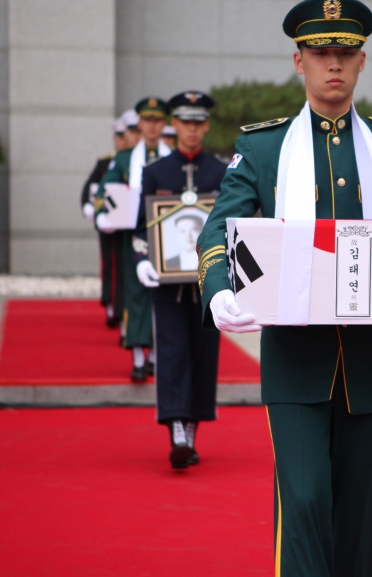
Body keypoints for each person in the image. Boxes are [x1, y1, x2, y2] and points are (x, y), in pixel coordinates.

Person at [196, 0, 372, 576]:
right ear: (298, 61)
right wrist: (219, 289)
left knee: (359, 514)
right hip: (296, 364)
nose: (335, 64)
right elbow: (217, 230)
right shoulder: (264, 148)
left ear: (362, 63)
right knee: (304, 501)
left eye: (346, 53)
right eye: (322, 52)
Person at [133, 90, 226, 469]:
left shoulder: (221, 172)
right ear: (175, 125)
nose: (192, 129)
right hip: (168, 282)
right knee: (172, 353)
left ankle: (191, 428)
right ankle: (176, 428)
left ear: (206, 126)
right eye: (185, 122)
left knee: (204, 355)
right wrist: (142, 257)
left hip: (209, 282)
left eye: (198, 122)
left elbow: (232, 224)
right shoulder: (156, 172)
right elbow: (142, 225)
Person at [95, 98, 172, 381]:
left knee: (163, 297)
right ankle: (139, 358)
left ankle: (157, 356)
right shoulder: (126, 159)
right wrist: (102, 214)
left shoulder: (171, 156)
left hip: (167, 237)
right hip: (134, 235)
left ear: (164, 124)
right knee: (137, 296)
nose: (151, 126)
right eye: (147, 120)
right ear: (139, 123)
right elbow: (105, 190)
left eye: (157, 120)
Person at [82, 111, 139, 328]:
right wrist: (93, 210)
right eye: (125, 134)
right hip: (115, 222)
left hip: (138, 223)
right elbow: (94, 188)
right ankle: (113, 305)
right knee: (112, 265)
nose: (126, 138)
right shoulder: (111, 161)